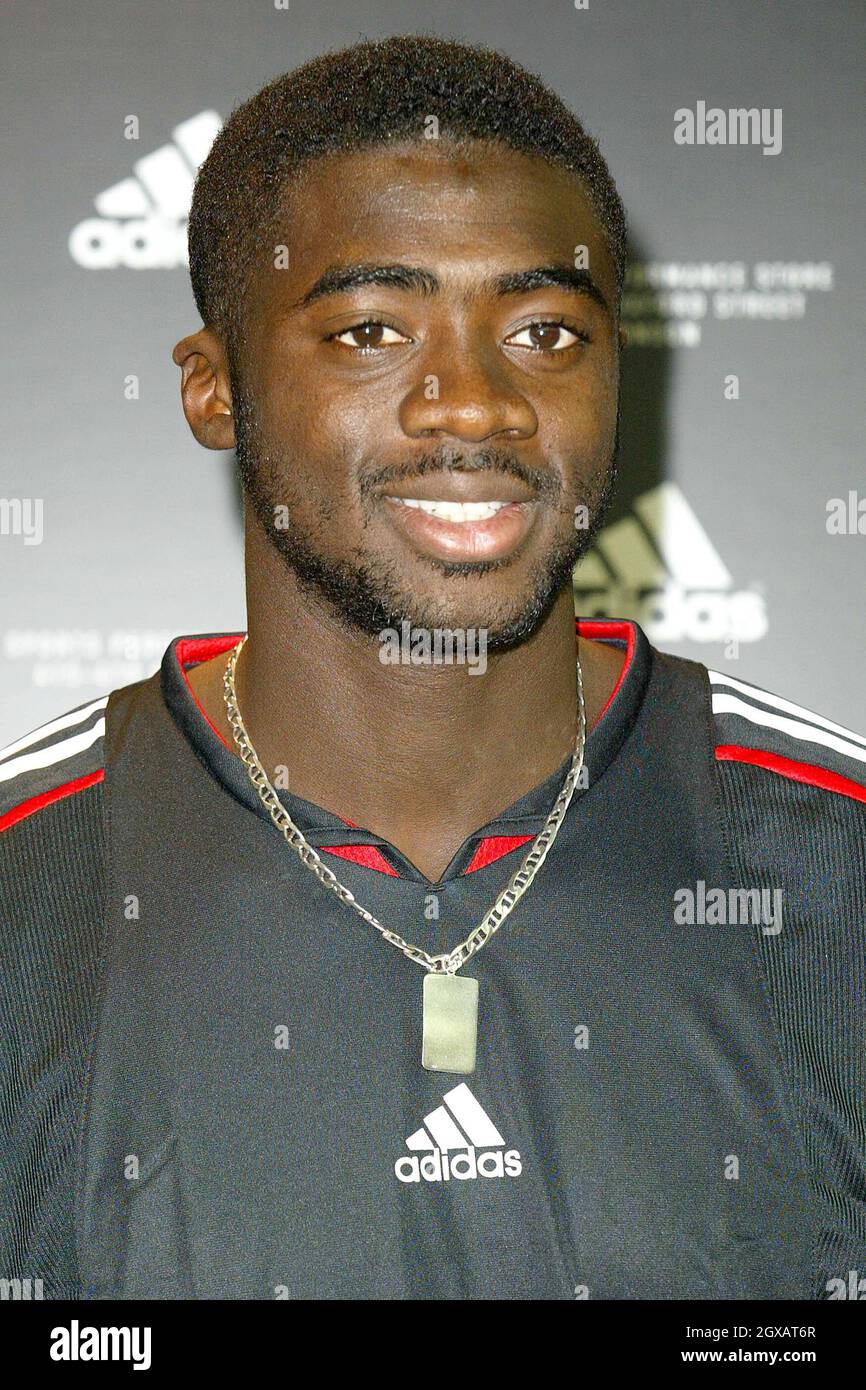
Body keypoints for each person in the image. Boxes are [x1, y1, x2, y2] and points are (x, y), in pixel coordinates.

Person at [1, 35, 864, 1301]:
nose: (473, 402)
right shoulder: (33, 887)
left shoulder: (829, 863)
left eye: (544, 329)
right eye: (368, 329)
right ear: (214, 389)